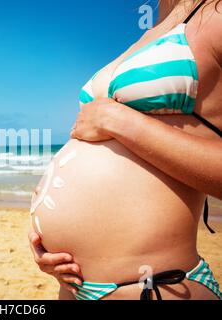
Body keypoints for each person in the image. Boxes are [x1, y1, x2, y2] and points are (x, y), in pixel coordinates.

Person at [29, 0, 222, 300]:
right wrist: (46, 241)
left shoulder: (216, 16)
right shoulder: (151, 30)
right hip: (74, 286)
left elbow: (112, 124)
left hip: (156, 286)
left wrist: (121, 122)